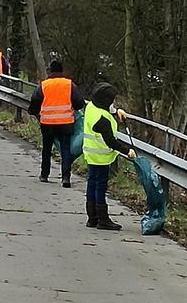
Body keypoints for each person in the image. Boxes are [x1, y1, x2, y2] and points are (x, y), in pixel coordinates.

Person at [83, 82, 136, 230]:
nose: (113, 102)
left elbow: (105, 108)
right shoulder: (102, 120)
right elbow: (111, 142)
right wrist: (127, 151)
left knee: (91, 184)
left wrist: (116, 111)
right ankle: (103, 219)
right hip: (101, 157)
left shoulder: (91, 107)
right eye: (112, 100)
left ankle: (92, 218)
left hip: (90, 154)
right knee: (100, 186)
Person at [28, 59, 85, 187]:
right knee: (65, 150)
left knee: (47, 149)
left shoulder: (44, 85)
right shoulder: (69, 85)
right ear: (61, 70)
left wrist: (36, 112)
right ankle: (65, 178)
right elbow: (80, 103)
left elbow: (35, 101)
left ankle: (44, 174)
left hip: (47, 122)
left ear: (50, 70)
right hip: (65, 123)